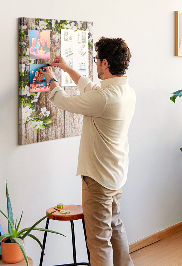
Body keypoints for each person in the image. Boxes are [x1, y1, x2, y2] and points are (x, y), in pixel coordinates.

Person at [40, 37, 135, 266]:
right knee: (115, 229)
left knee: (99, 241)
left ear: (105, 63)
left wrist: (51, 78)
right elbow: (90, 88)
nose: (95, 65)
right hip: (115, 175)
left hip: (98, 179)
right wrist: (67, 68)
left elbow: (65, 102)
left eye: (96, 61)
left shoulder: (103, 98)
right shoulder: (126, 92)